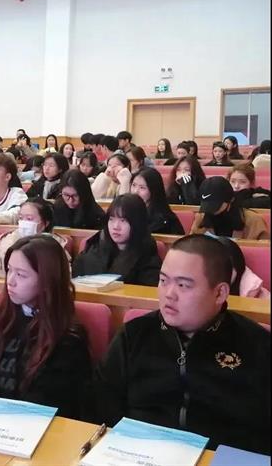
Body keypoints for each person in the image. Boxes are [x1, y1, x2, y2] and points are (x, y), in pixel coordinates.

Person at [95, 235, 270, 454]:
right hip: (138, 453)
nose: (169, 294)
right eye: (163, 281)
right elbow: (100, 407)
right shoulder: (134, 335)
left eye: (183, 285)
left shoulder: (256, 344)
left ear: (220, 293)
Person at [0, 235, 91, 415]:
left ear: (47, 280)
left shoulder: (68, 338)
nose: (10, 281)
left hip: (37, 423)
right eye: (9, 270)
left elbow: (55, 402)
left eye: (21, 275)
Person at [72, 194, 162, 286]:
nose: (115, 227)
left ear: (137, 223)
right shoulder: (95, 245)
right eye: (111, 219)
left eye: (123, 221)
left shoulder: (148, 255)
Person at [0, 197, 69, 271]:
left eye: (29, 219)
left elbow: (62, 275)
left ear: (45, 223)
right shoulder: (9, 239)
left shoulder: (56, 245)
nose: (24, 223)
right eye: (21, 218)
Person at [190, 177, 269, 239]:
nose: (210, 210)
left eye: (215, 204)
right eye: (207, 205)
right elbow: (192, 244)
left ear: (231, 200)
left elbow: (264, 248)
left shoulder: (254, 221)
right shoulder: (201, 218)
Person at [130, 168, 184, 235]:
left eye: (142, 188)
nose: (135, 191)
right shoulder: (130, 211)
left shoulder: (163, 220)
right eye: (134, 185)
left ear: (153, 190)